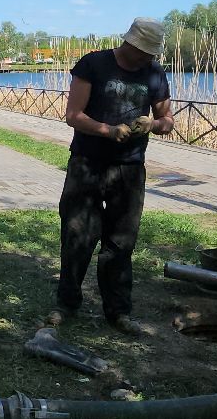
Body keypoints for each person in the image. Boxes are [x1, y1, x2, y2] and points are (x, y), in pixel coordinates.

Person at [51, 17, 173, 334]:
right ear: (129, 44)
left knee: (121, 243)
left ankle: (118, 311)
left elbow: (168, 121)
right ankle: (66, 304)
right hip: (87, 164)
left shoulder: (155, 74)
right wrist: (108, 131)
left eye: (151, 53)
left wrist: (153, 125)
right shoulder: (93, 64)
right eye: (144, 52)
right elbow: (73, 116)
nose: (148, 57)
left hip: (130, 169)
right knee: (77, 236)